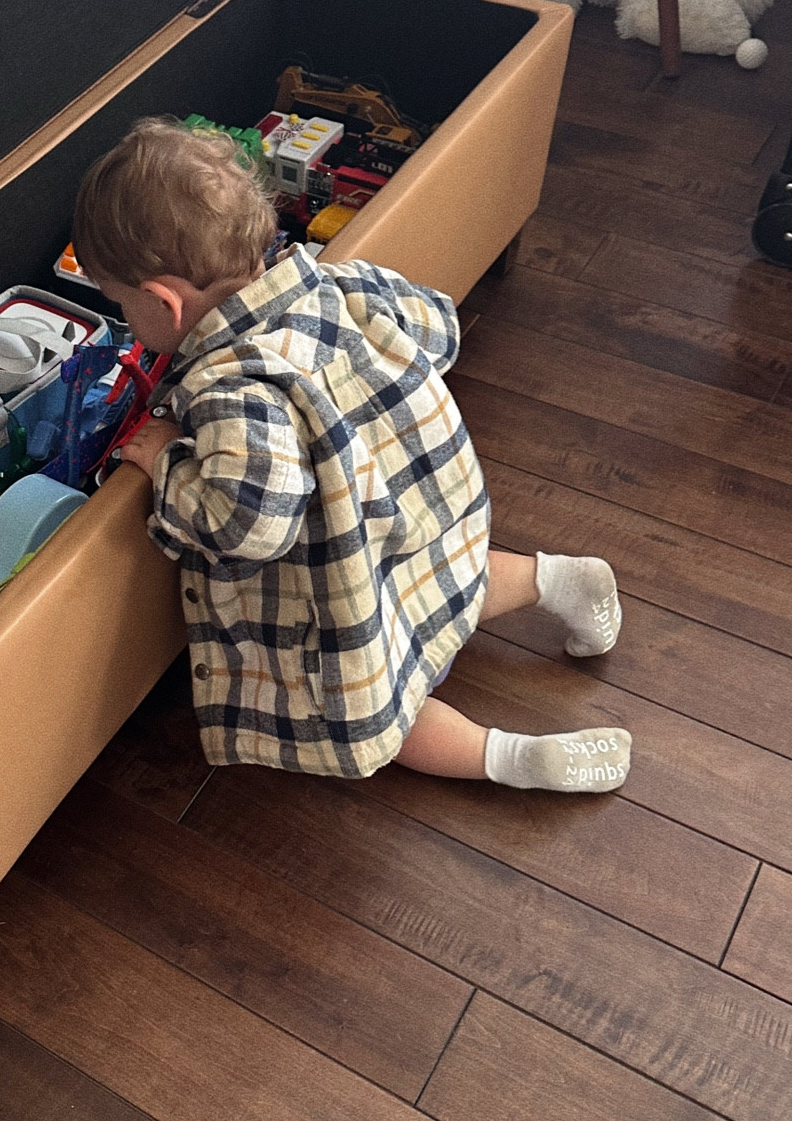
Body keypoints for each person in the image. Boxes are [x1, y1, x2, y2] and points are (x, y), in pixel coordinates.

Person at [72, 117, 629, 792]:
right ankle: (562, 580)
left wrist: (165, 464)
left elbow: (249, 523)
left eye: (122, 306)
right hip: (414, 527)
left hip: (345, 581)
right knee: (449, 586)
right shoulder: (341, 283)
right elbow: (439, 329)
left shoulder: (231, 389)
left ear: (164, 299)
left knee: (378, 713)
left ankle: (510, 757)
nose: (130, 321)